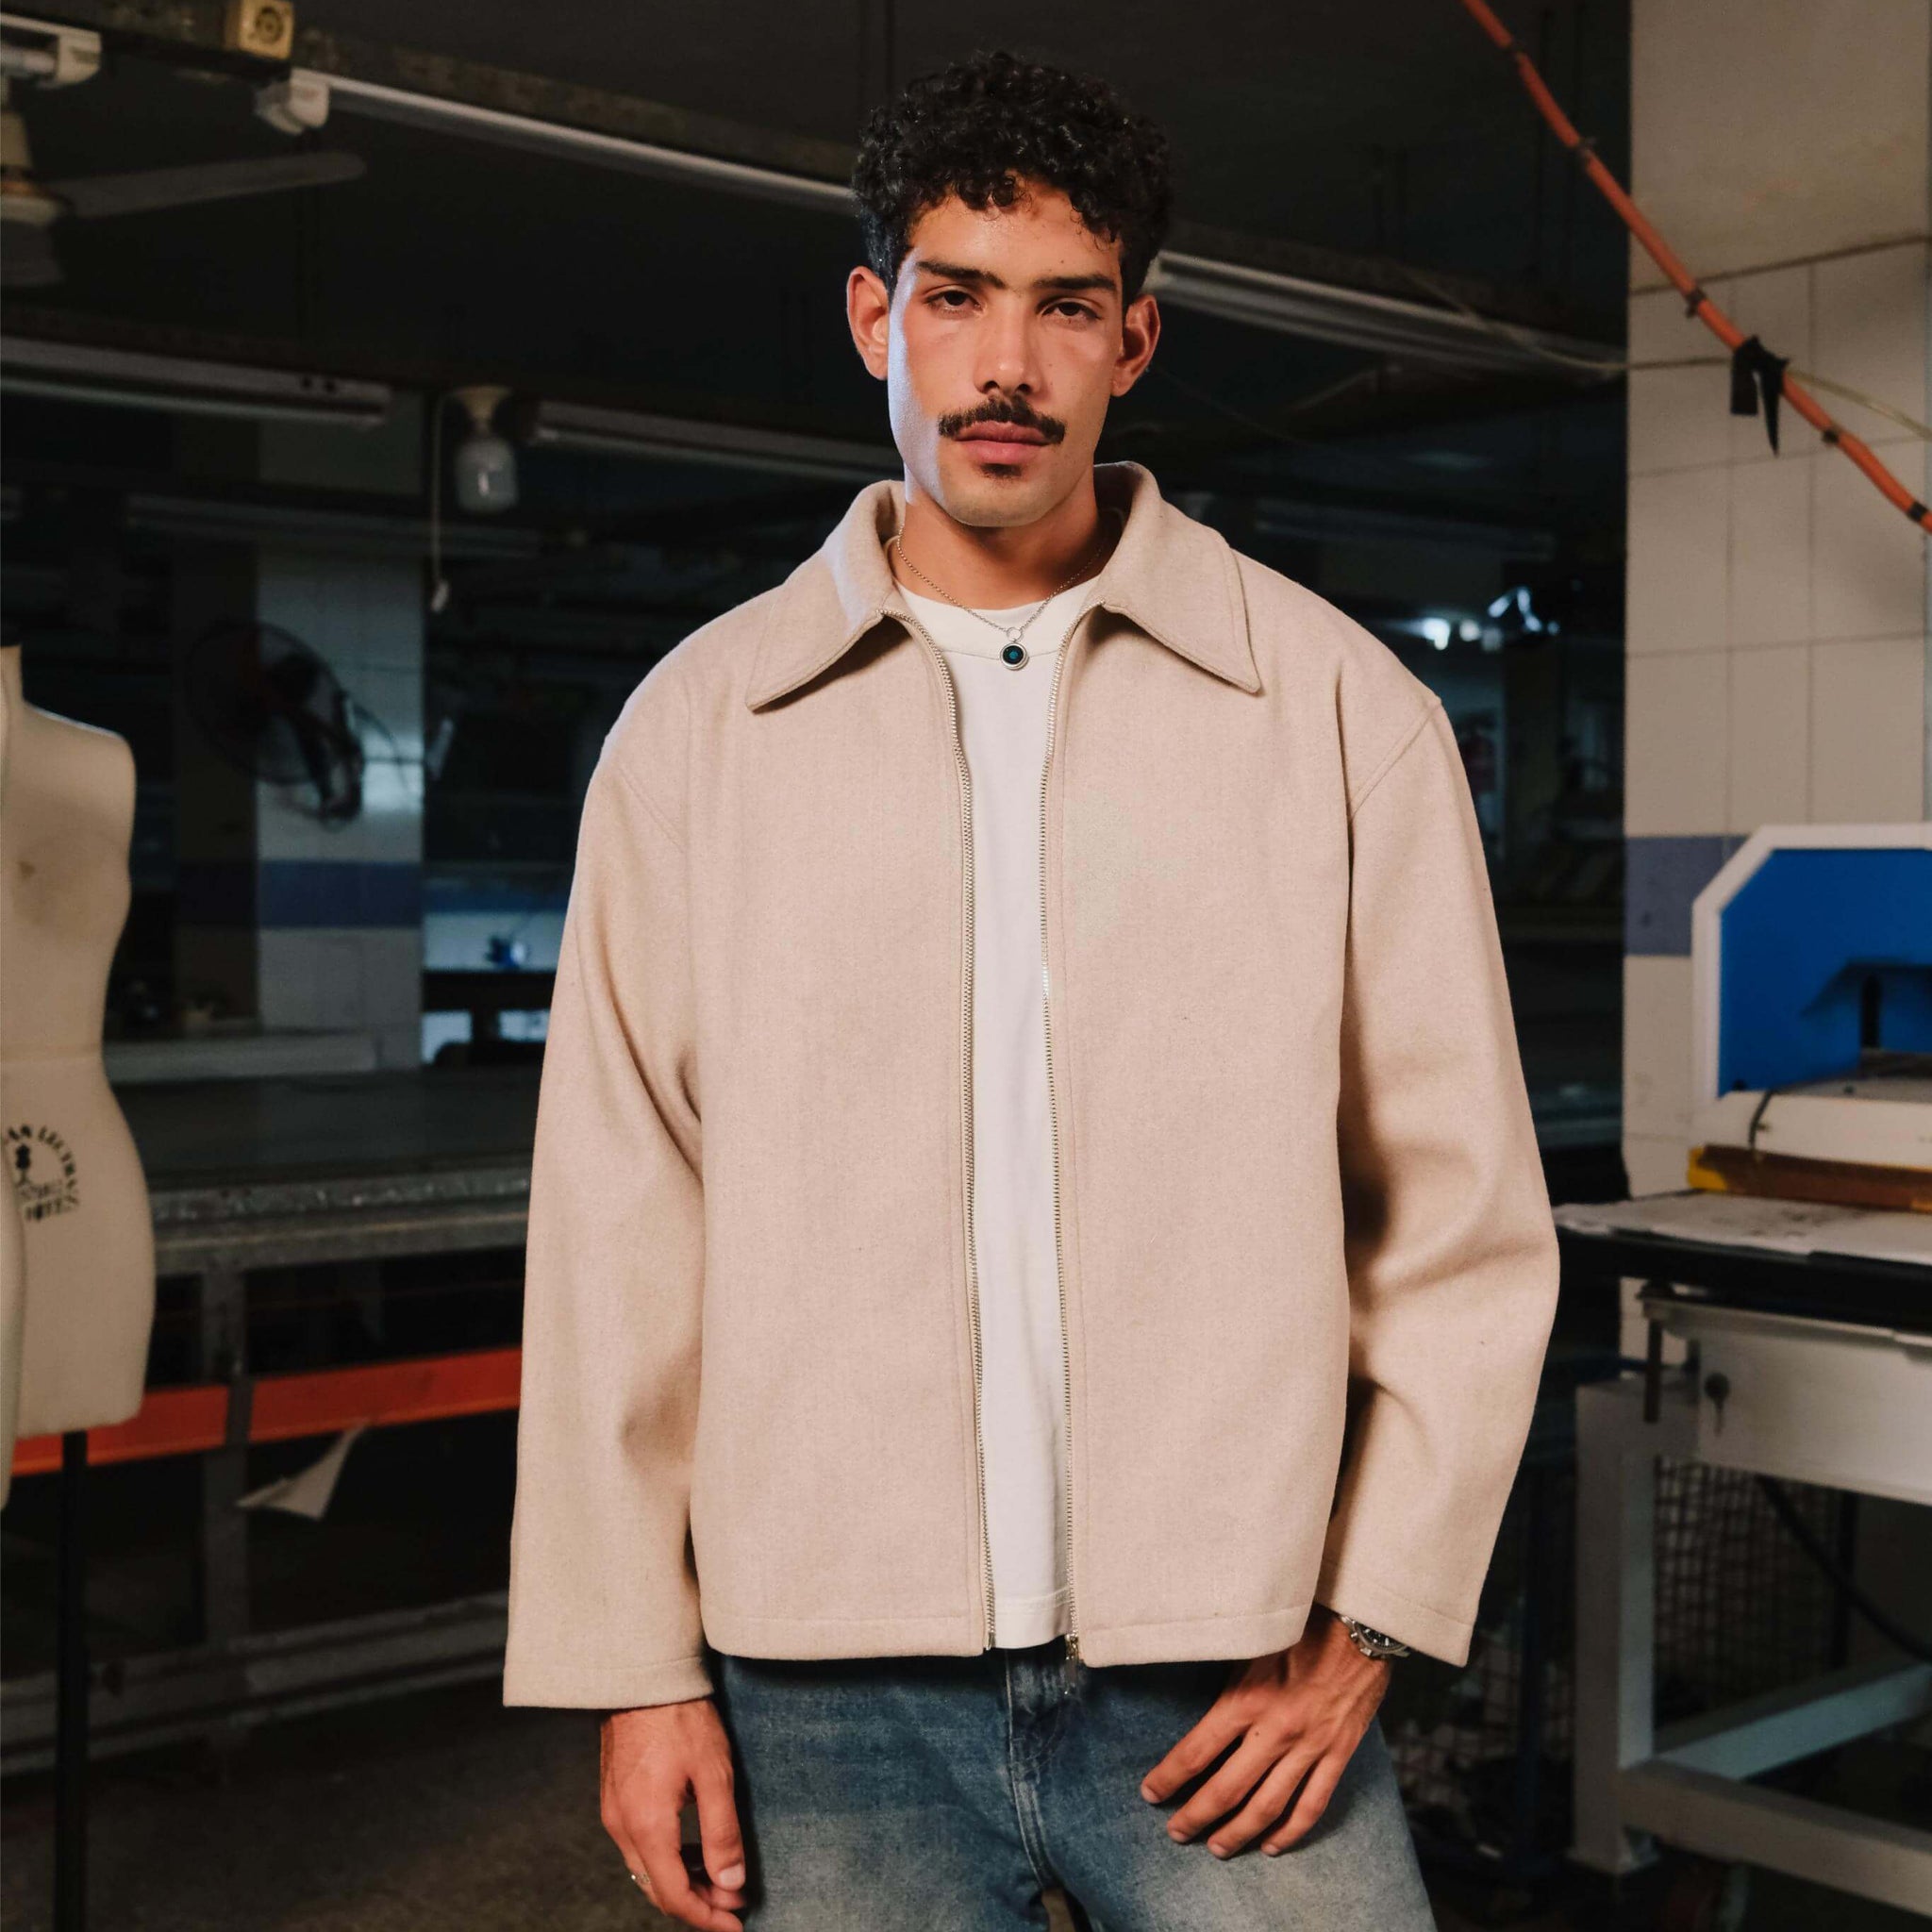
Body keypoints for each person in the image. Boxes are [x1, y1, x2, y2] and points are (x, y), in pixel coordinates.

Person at [504, 48, 1559, 1932]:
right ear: (872, 319)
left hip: (1226, 1670)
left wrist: (1368, 1627)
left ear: (1135, 340)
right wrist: (635, 1664)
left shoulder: (1331, 713)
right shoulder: (699, 734)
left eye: (1065, 307)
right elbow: (617, 1227)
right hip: (825, 1686)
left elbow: (1463, 1223)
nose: (1006, 365)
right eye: (957, 298)